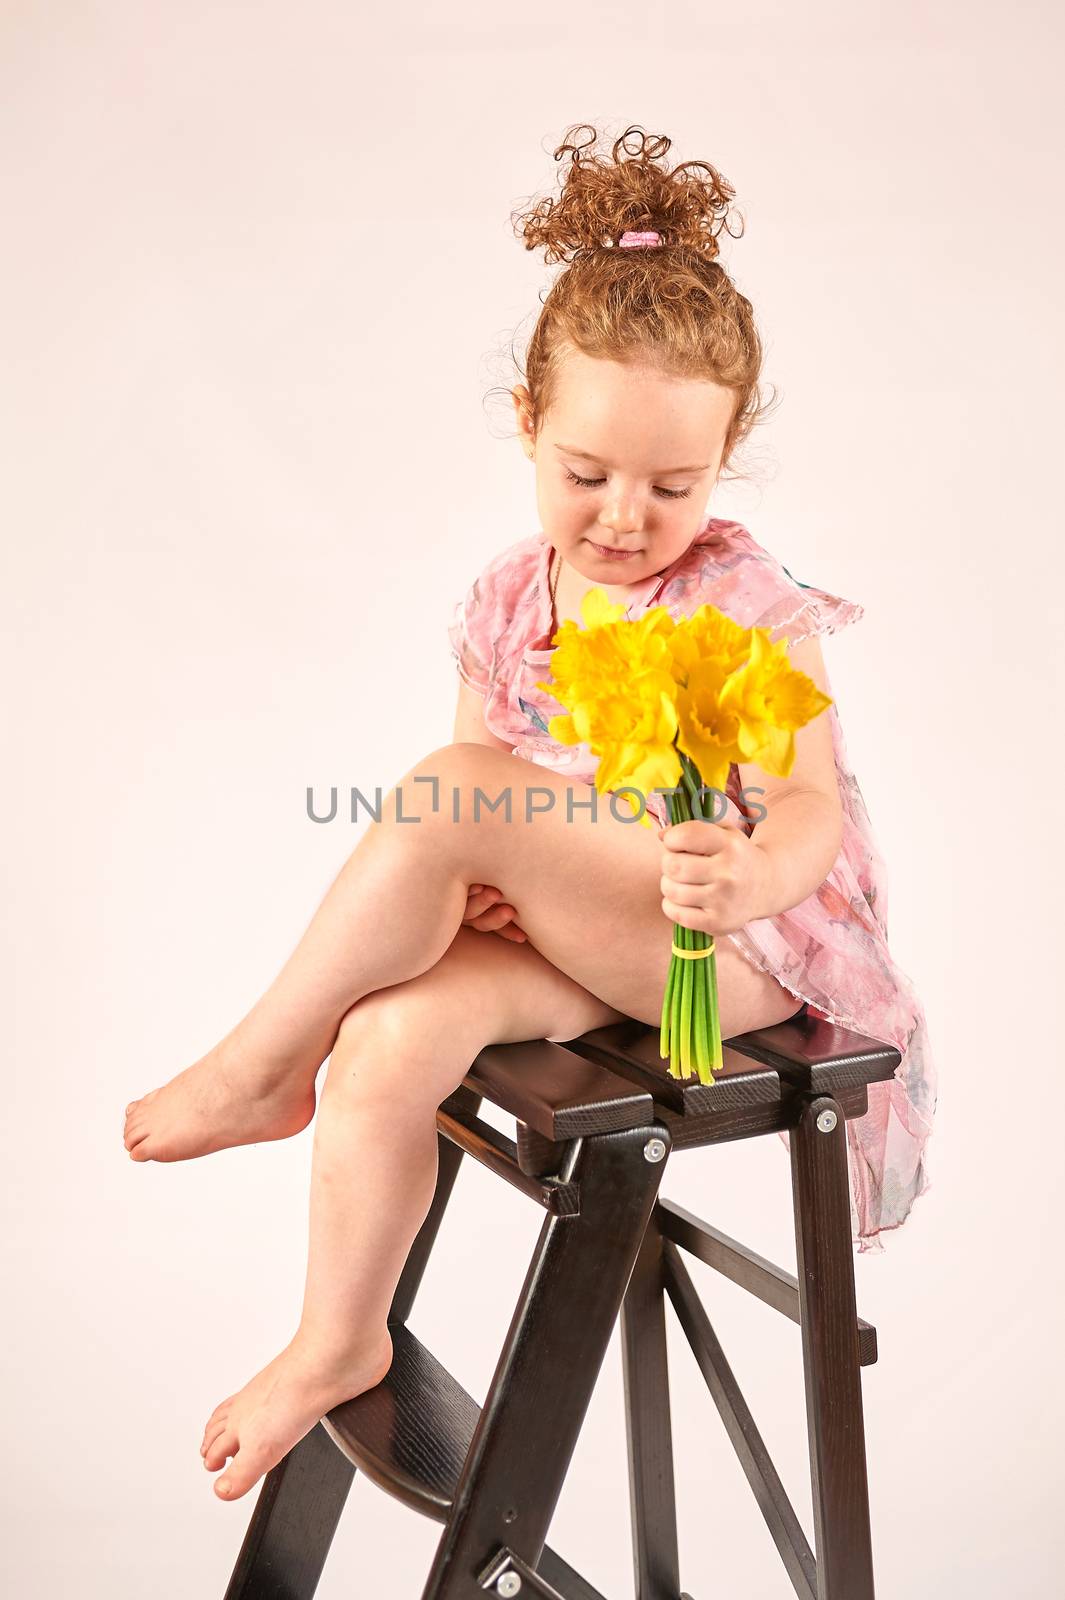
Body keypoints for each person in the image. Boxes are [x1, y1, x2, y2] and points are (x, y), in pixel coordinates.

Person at [121, 123, 936, 1503]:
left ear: (723, 461)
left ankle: (263, 1063)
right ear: (527, 428)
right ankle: (334, 1336)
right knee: (388, 1039)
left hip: (723, 950)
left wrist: (744, 877)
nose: (625, 516)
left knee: (441, 799)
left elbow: (802, 807)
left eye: (671, 486)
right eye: (587, 474)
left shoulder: (741, 605)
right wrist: (486, 887)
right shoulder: (510, 598)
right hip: (579, 931)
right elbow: (481, 794)